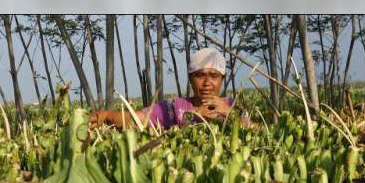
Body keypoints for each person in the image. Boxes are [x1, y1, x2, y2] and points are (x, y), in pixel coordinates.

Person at [89, 47, 247, 129]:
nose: (207, 83)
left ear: (222, 79)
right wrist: (108, 115)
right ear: (191, 78)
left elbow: (257, 130)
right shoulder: (173, 107)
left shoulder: (232, 105)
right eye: (200, 76)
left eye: (214, 76)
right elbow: (138, 119)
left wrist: (229, 113)